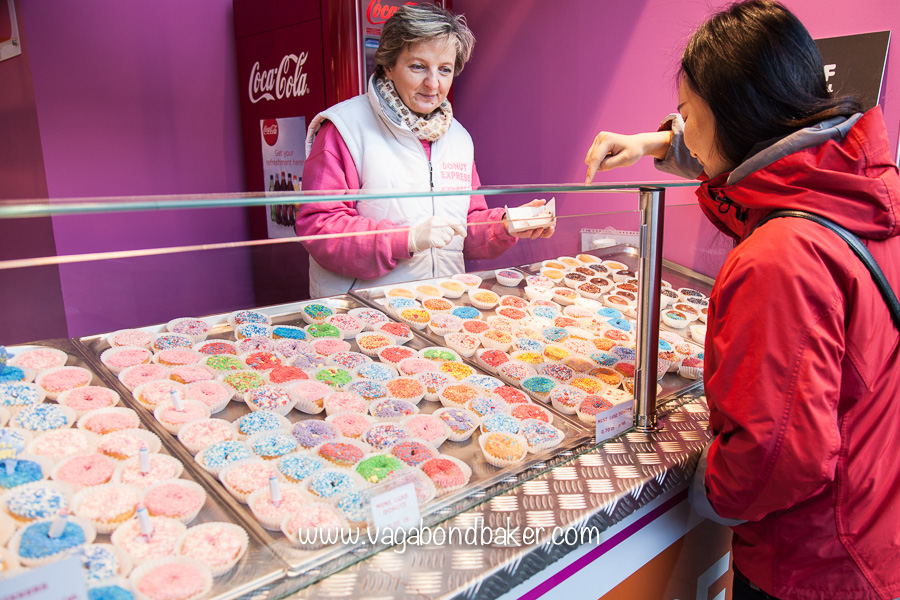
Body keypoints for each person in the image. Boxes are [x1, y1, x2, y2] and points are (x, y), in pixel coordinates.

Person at [583, 1, 900, 599]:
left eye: (685, 116)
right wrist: (657, 145)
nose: (686, 138)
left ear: (733, 113)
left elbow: (779, 456)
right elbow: (744, 175)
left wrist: (708, 491)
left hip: (811, 559)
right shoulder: (857, 188)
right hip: (870, 521)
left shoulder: (781, 253)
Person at [297, 3, 553, 298]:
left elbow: (465, 228)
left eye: (444, 70)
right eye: (418, 66)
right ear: (389, 66)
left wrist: (507, 225)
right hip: (366, 310)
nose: (433, 84)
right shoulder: (344, 129)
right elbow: (319, 227)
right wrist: (407, 239)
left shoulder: (457, 137)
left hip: (441, 307)